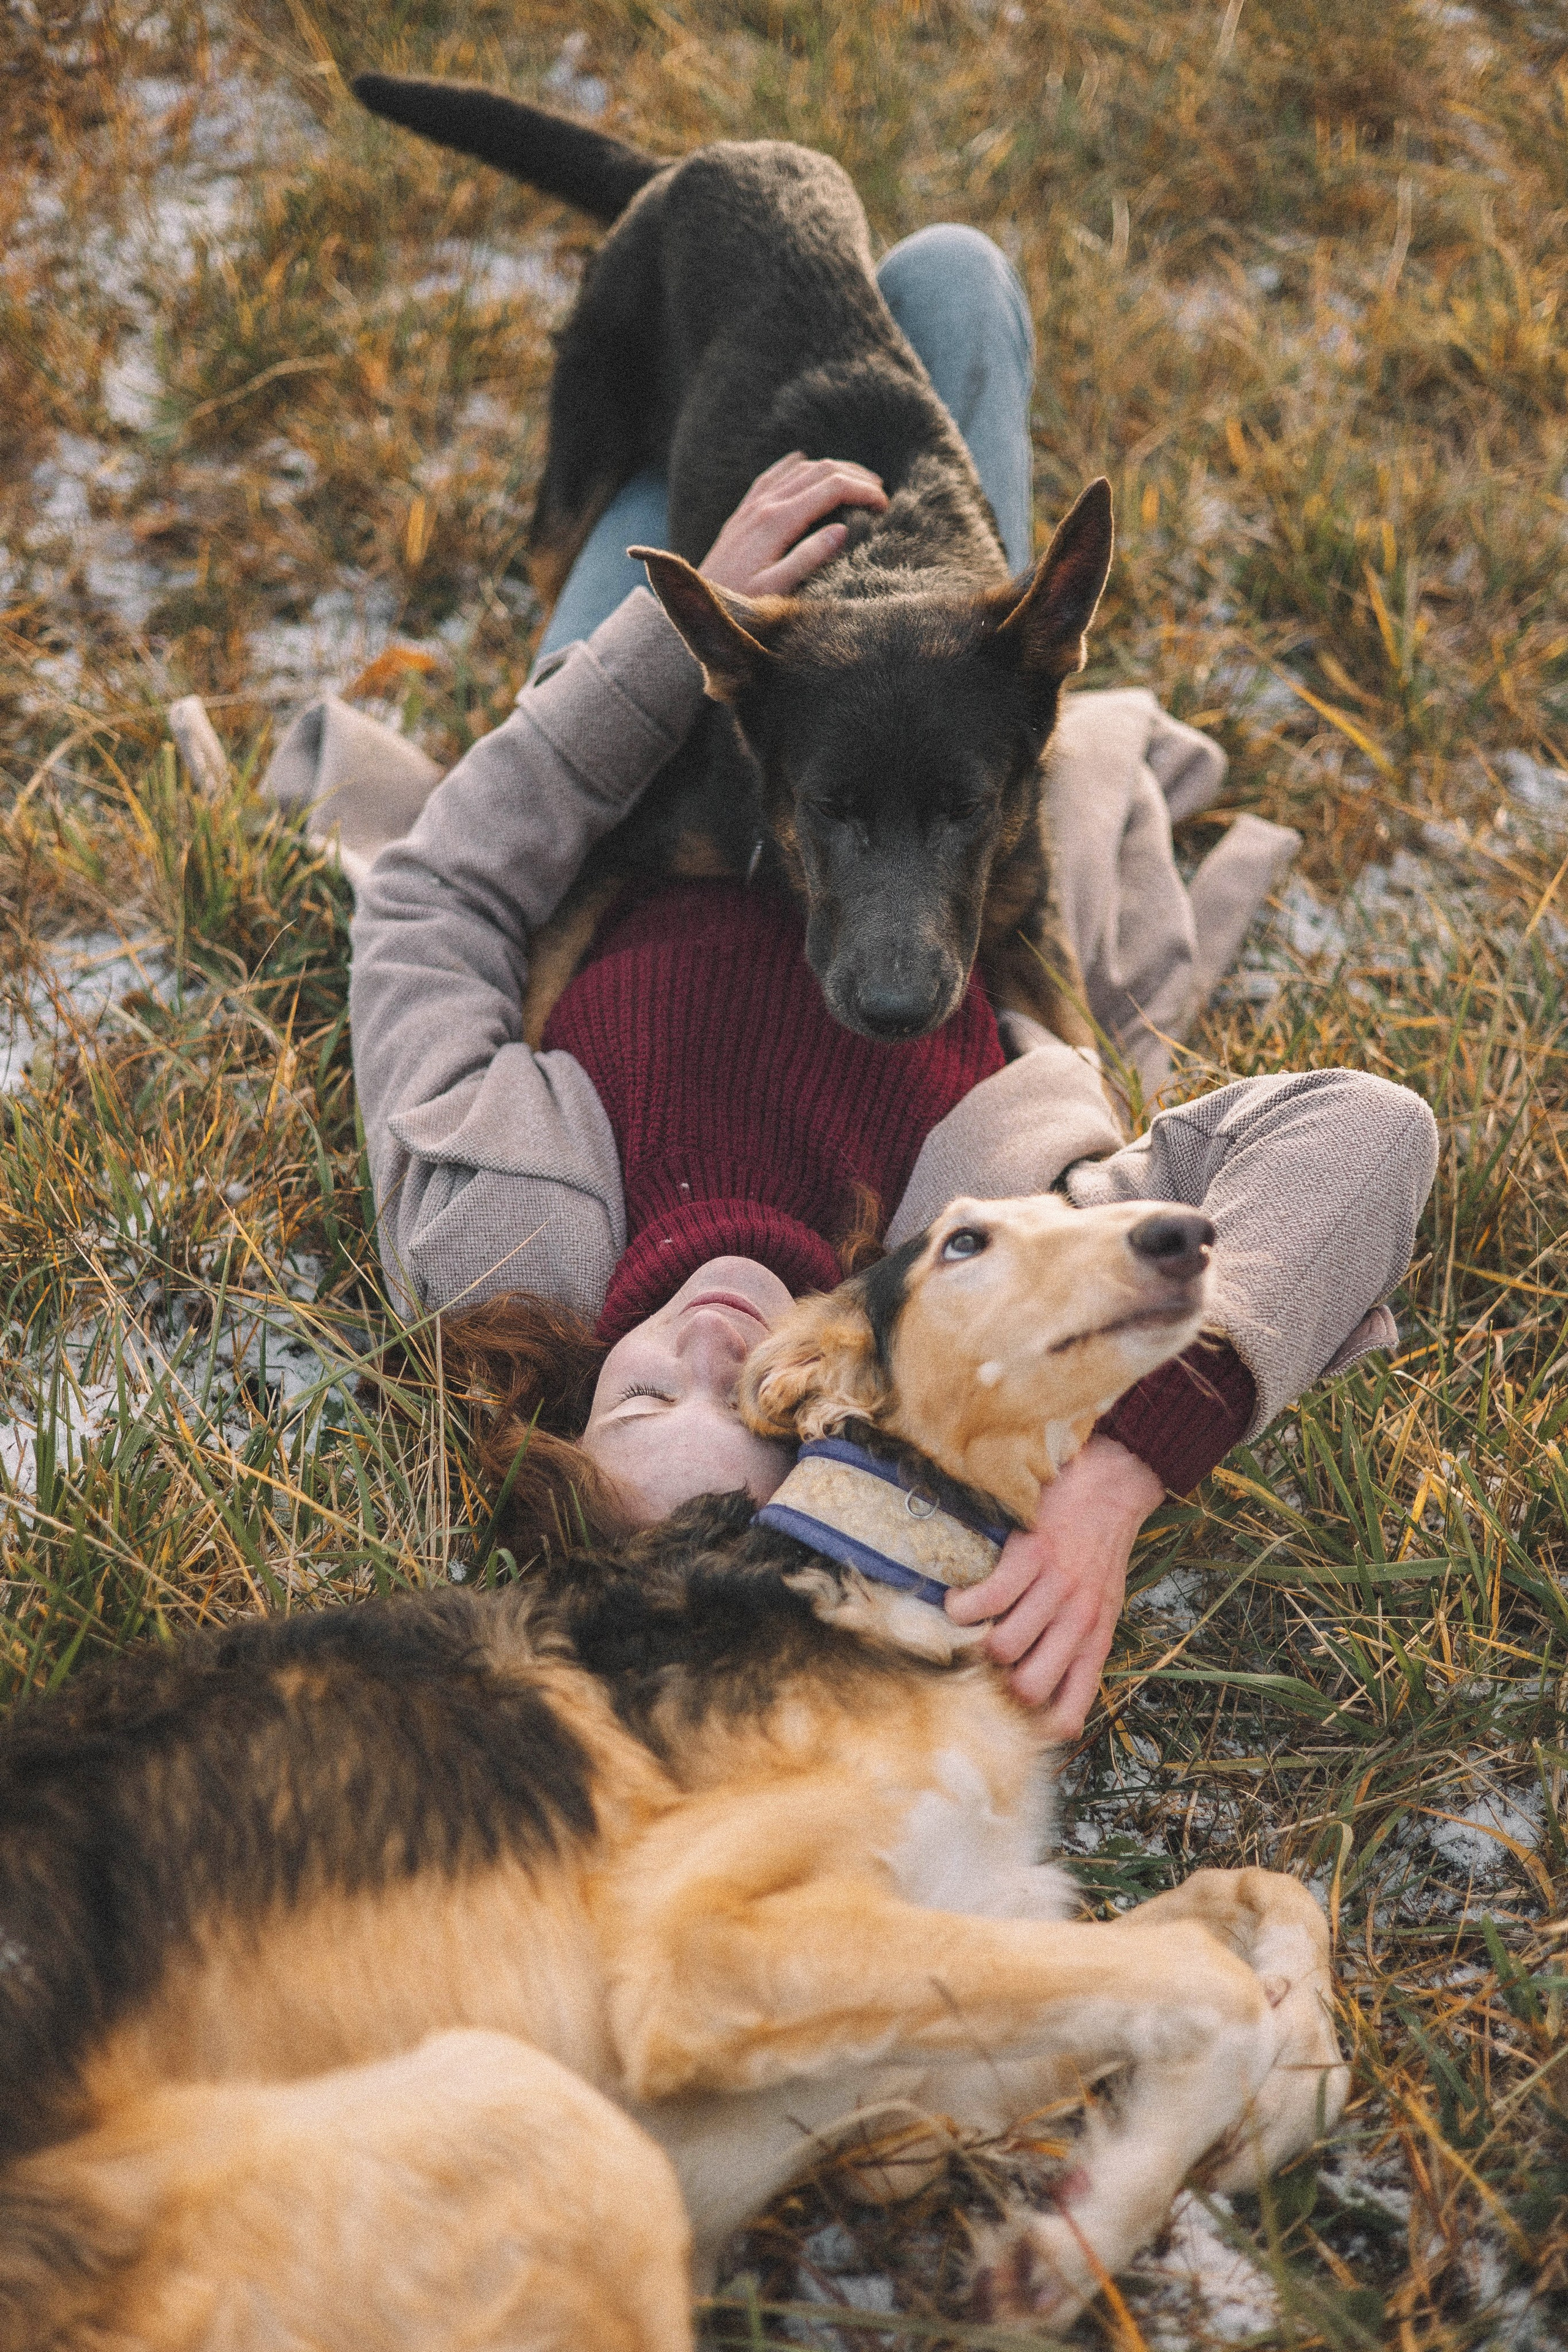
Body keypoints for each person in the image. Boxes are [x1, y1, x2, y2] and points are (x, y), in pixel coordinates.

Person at [346, 225, 1438, 1735]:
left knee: (732, 418)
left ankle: (686, 380)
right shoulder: (970, 1270)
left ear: (565, 1416)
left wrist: (678, 651)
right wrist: (1118, 1471)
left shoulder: (497, 1255)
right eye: (758, 1417)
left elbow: (435, 900)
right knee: (960, 279)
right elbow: (1364, 1128)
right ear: (851, 1440)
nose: (720, 1354)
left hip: (652, 754)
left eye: (645, 1400)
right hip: (916, 724)